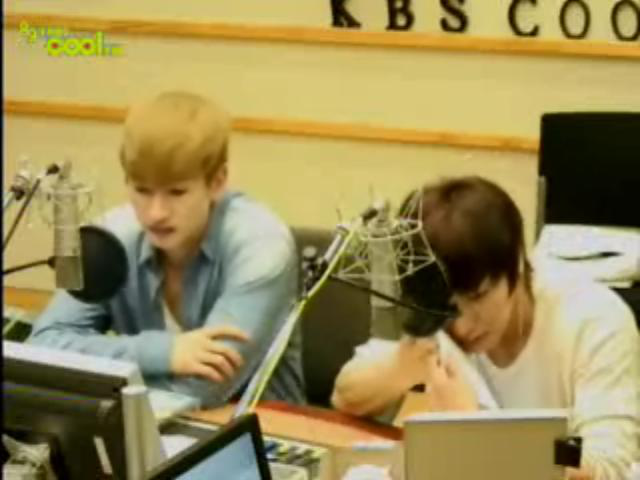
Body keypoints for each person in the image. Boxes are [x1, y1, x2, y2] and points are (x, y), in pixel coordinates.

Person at [331, 176, 639, 479]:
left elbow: (606, 465)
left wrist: (474, 431)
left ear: (517, 264)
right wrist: (405, 364)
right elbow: (346, 397)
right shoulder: (435, 314)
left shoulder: (594, 319)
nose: (463, 326)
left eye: (478, 296)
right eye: (448, 308)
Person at [29, 91, 305, 407]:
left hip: (260, 428)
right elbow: (44, 346)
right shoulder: (111, 237)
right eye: (142, 190)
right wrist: (162, 352)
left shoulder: (261, 246)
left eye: (176, 192)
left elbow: (203, 388)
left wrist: (103, 379)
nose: (155, 213)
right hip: (138, 425)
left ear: (217, 182)